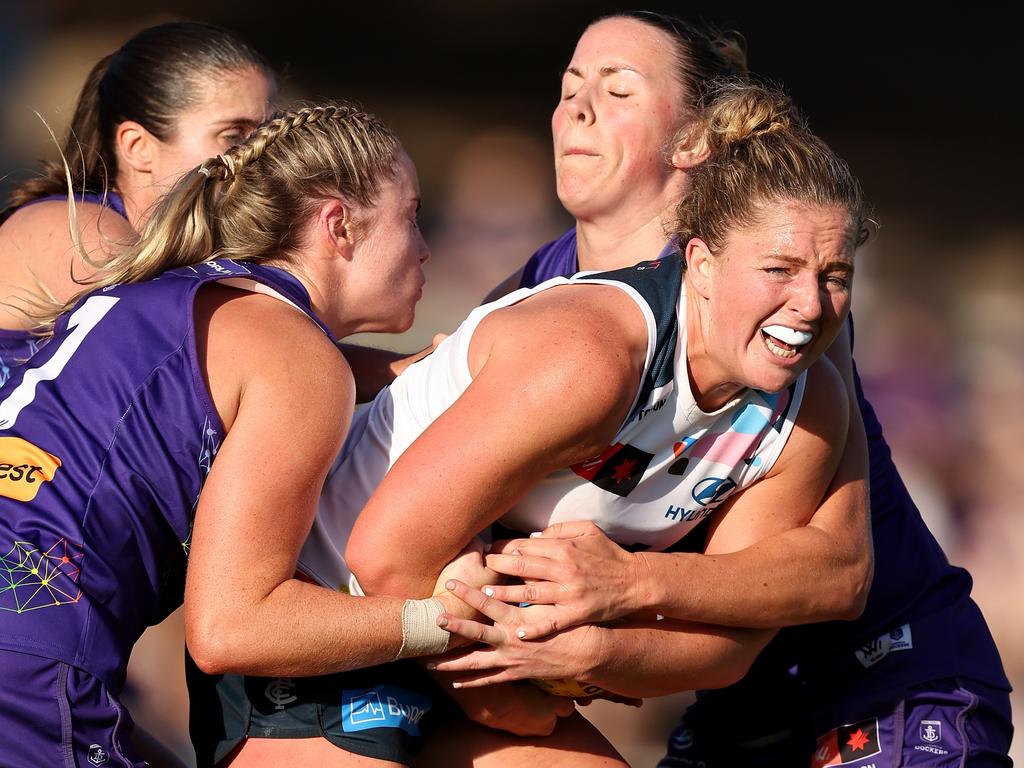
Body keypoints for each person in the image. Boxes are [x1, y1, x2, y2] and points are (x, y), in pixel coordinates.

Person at [439, 12, 1012, 766]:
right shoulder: (548, 284)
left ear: (693, 141)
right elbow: (421, 394)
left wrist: (622, 586)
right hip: (733, 708)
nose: (576, 108)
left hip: (885, 685)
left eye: (616, 90)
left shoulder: (773, 289)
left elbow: (838, 572)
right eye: (569, 87)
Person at [278, 79, 867, 765]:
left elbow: (730, 643)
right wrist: (509, 696)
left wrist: (602, 645)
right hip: (331, 614)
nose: (811, 304)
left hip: (473, 645)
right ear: (700, 263)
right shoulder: (593, 356)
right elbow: (386, 555)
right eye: (779, 269)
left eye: (835, 274)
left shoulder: (810, 400)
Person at [0, 101, 498, 768]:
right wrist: (442, 620)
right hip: (29, 655)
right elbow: (232, 626)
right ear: (339, 225)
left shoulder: (168, 296)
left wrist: (403, 372)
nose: (426, 244)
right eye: (410, 215)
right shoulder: (296, 358)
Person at [0, 21, 276, 379]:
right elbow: (206, 348)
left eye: (271, 133)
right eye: (234, 134)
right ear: (138, 147)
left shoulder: (204, 251)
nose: (263, 154)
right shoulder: (72, 227)